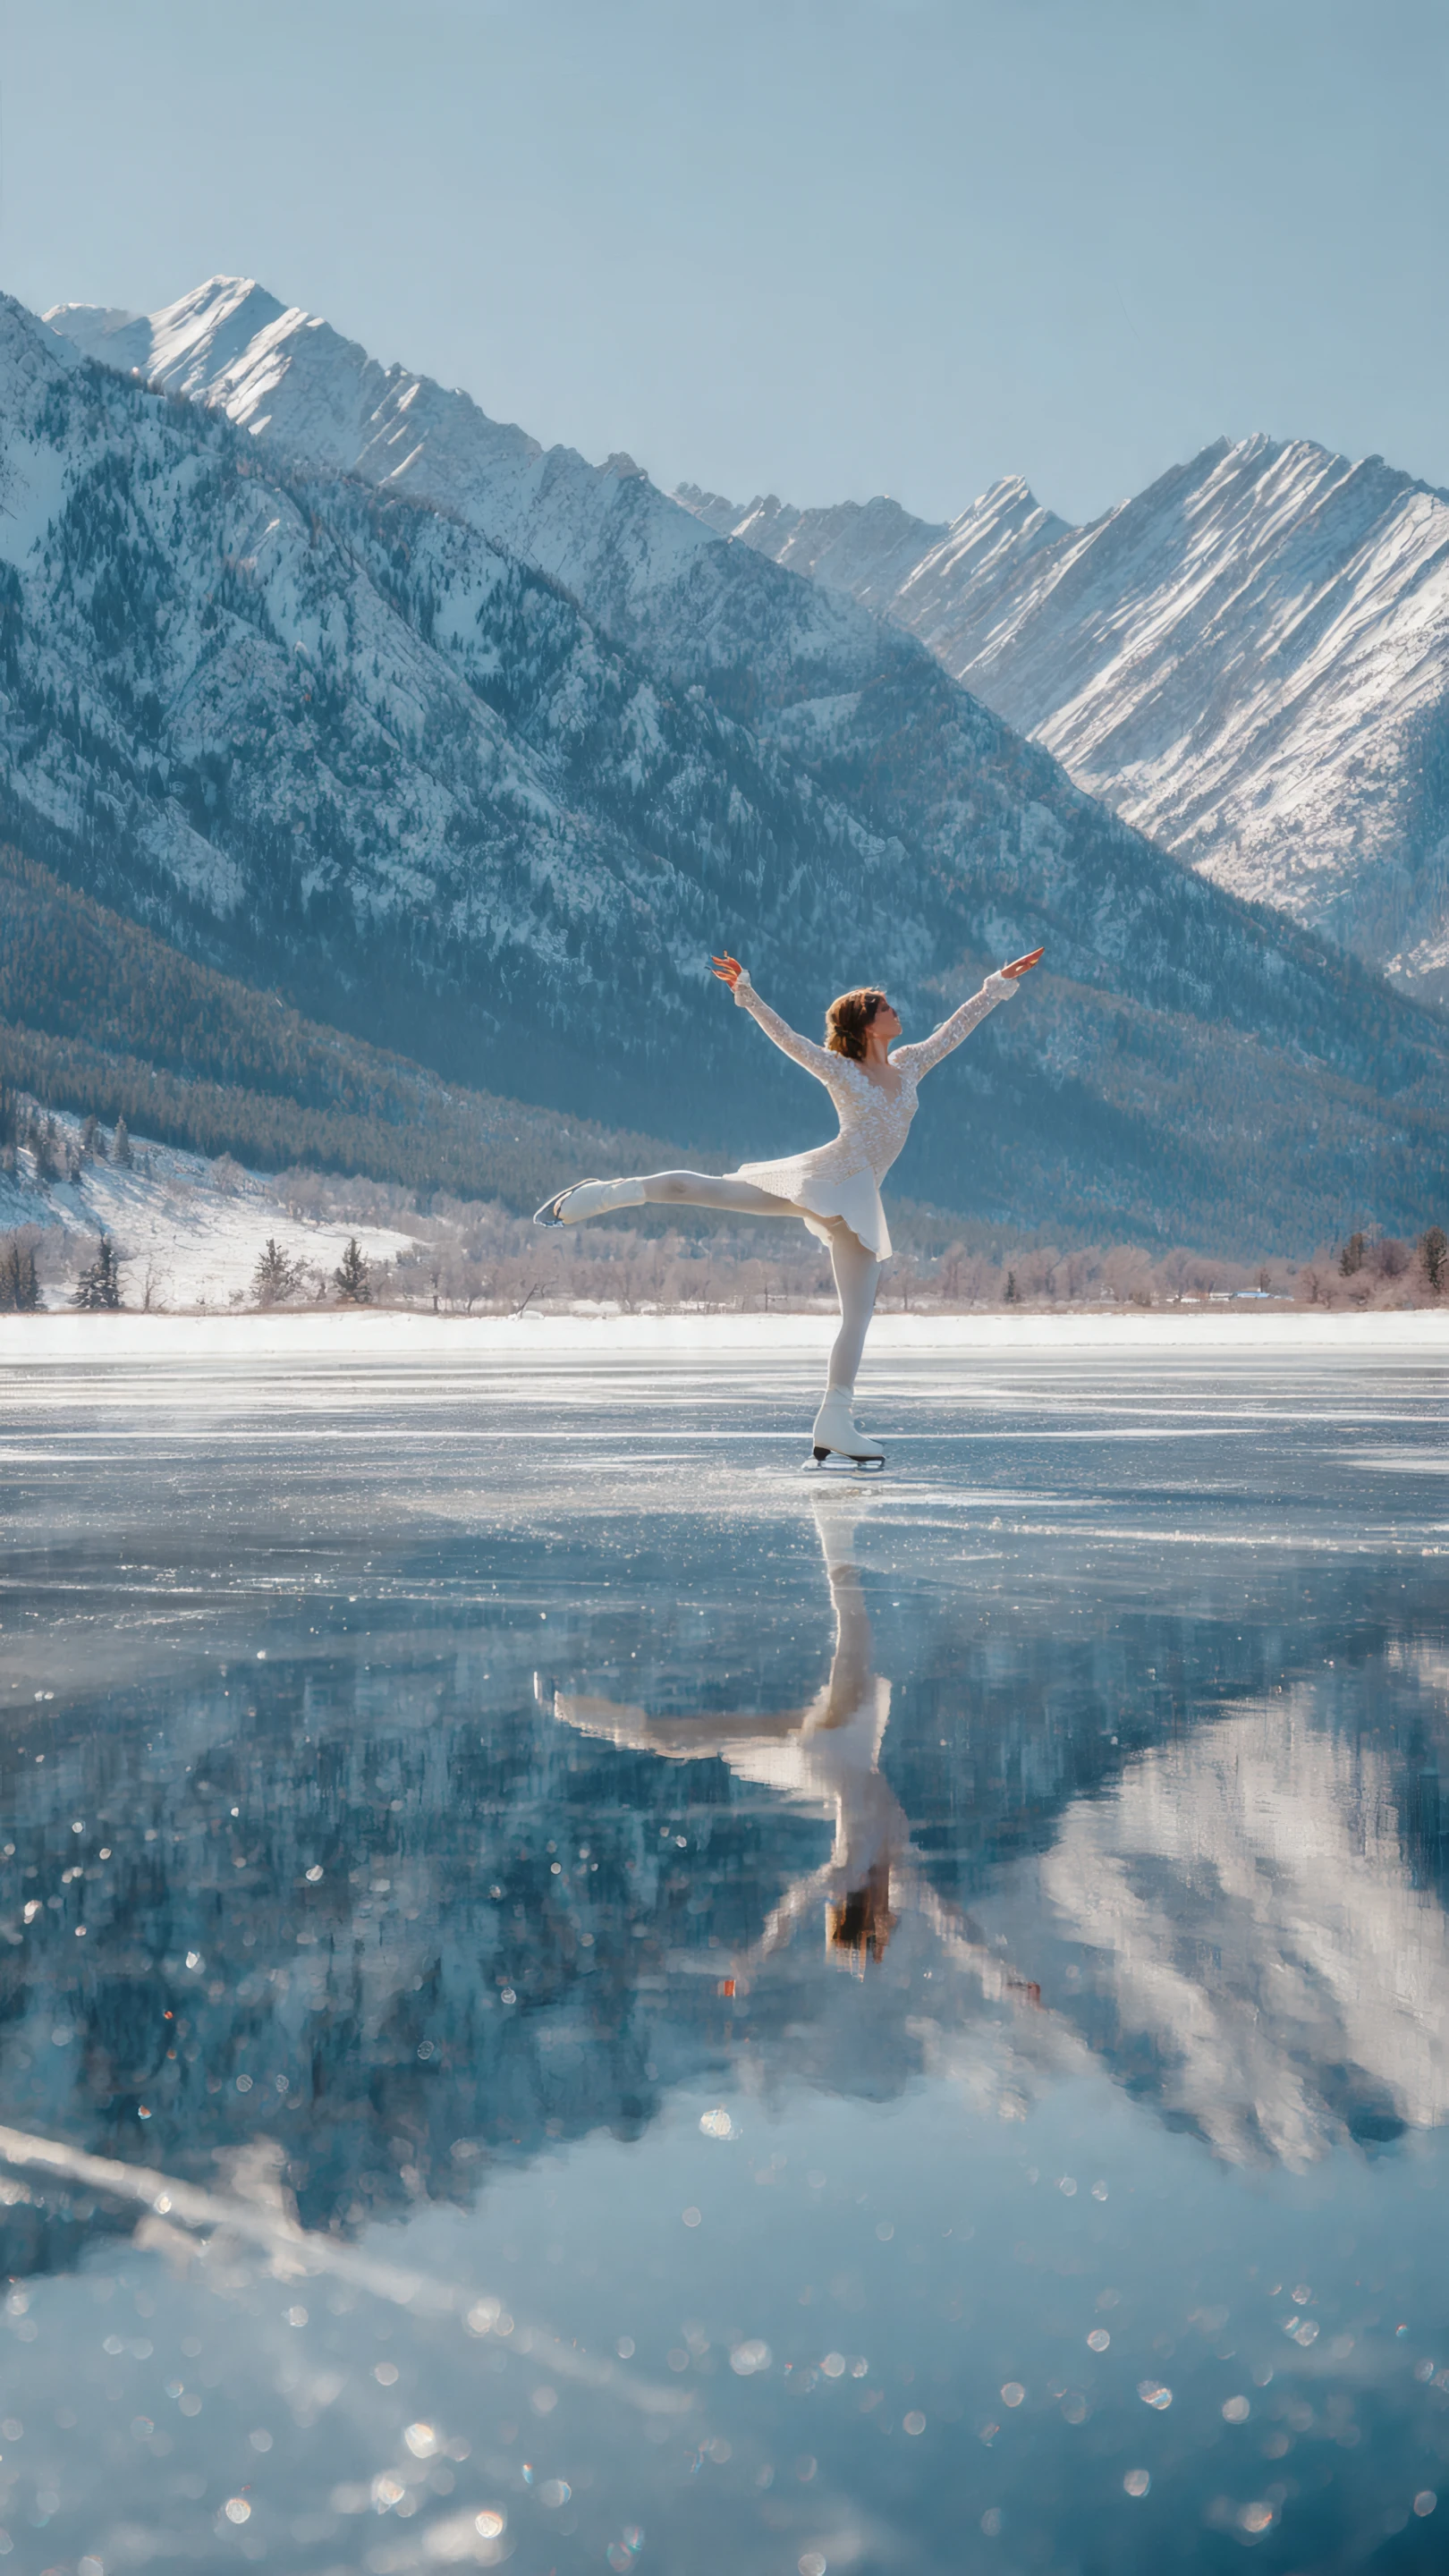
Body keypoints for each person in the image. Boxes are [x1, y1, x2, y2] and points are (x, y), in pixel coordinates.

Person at [535, 945, 1043, 1464]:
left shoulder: (910, 1064)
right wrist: (746, 992)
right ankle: (595, 1196)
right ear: (867, 1025)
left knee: (859, 1316)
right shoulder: (842, 1072)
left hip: (858, 1201)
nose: (895, 1012)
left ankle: (835, 1422)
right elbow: (789, 1040)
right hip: (819, 1181)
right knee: (706, 1190)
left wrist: (996, 984)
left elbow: (954, 1031)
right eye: (884, 1007)